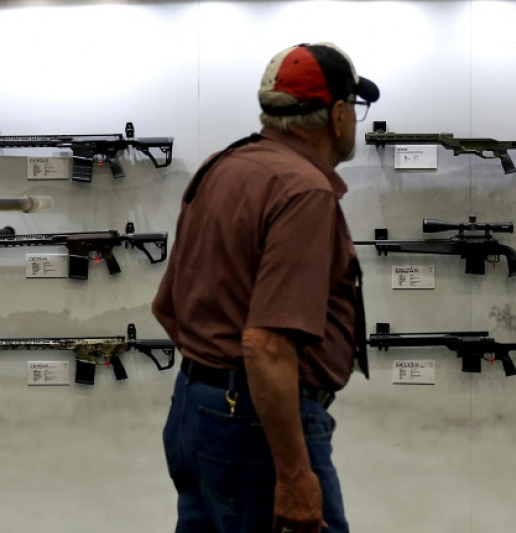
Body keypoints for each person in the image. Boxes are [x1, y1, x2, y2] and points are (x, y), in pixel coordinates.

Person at [153, 42, 378, 533]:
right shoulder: (304, 191)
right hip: (255, 427)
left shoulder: (223, 165)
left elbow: (170, 307)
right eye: (356, 108)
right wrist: (295, 475)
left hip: (196, 408)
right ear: (339, 115)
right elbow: (267, 344)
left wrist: (215, 382)